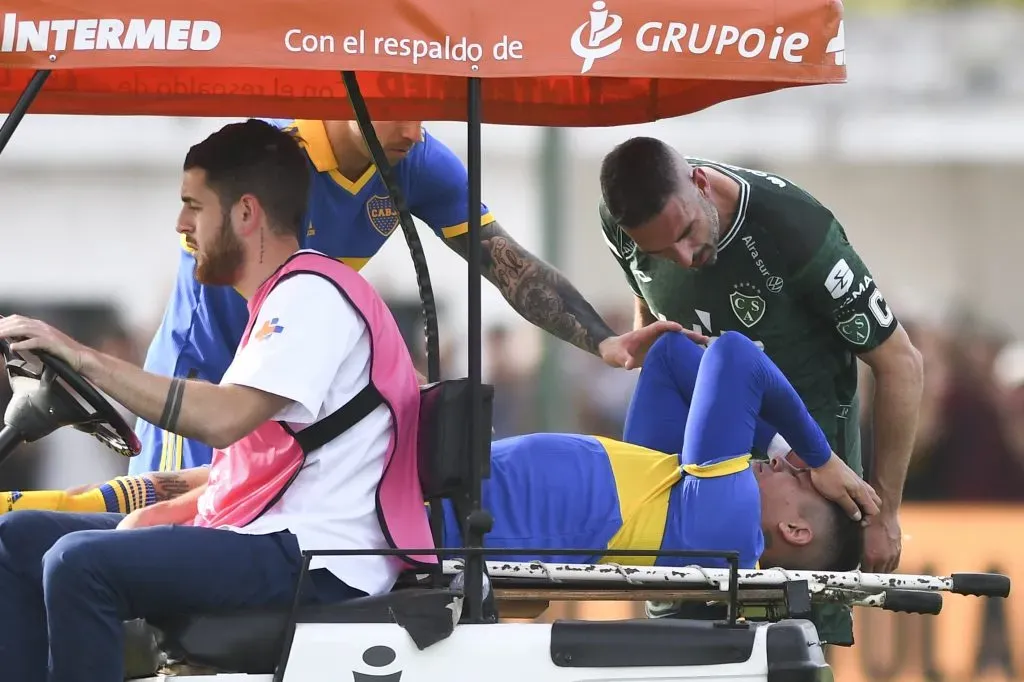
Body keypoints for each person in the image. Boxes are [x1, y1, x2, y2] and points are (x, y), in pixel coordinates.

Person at [0, 119, 434, 682]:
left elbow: (222, 420)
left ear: (245, 213)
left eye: (193, 207)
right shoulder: (282, 301)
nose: (181, 225)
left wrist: (83, 359)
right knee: (19, 539)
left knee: (77, 564)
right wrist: (159, 510)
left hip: (317, 559)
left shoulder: (311, 296)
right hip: (267, 537)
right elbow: (253, 466)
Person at [134, 118, 681, 477]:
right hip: (202, 393)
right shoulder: (269, 165)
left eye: (422, 110)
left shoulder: (416, 161)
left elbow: (504, 261)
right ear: (345, 93)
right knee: (164, 574)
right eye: (396, 108)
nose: (414, 131)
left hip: (284, 404)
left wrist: (607, 342)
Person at [596, 138, 924, 641]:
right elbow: (651, 306)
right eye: (660, 250)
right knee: (679, 640)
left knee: (791, 646)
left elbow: (901, 363)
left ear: (701, 183)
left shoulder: (794, 229)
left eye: (686, 233)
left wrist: (888, 511)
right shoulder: (623, 217)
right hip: (700, 464)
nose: (682, 258)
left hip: (806, 476)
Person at [441, 331, 878, 572]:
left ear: (795, 530)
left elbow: (734, 354)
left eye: (797, 476)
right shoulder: (682, 496)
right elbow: (669, 357)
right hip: (451, 492)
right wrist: (805, 457)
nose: (784, 462)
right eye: (795, 462)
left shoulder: (730, 523)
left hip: (448, 520)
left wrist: (818, 456)